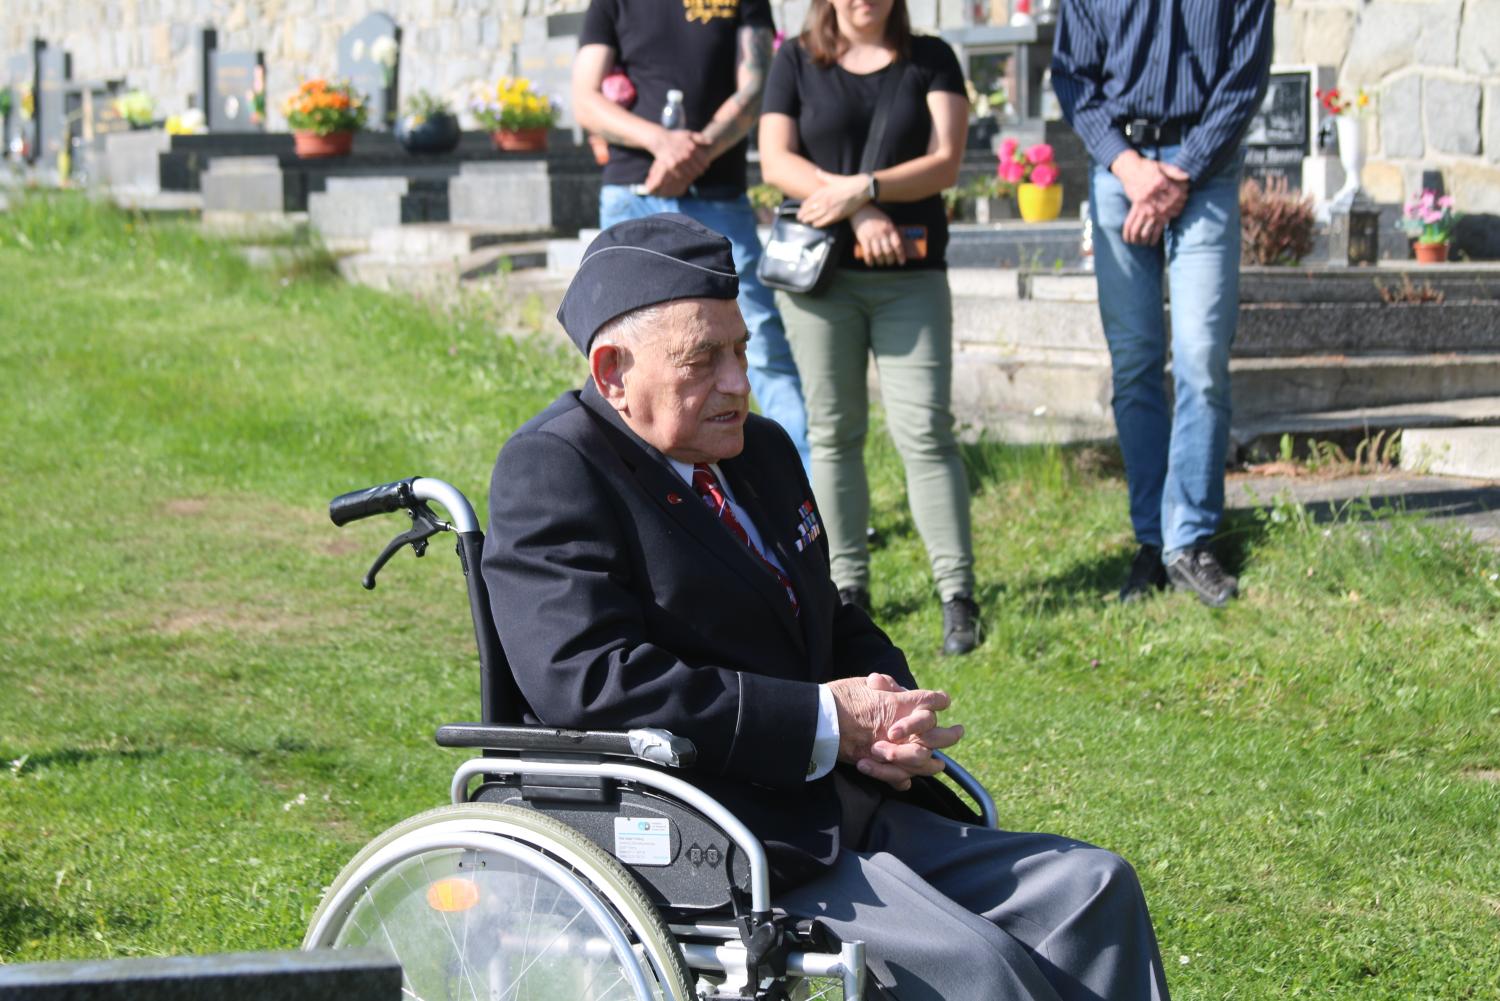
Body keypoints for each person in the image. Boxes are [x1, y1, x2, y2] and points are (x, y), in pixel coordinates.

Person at [482, 213, 1173, 1001]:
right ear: (613, 372)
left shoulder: (762, 452)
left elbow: (831, 615)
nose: (738, 381)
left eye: (740, 349)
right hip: (712, 838)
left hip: (843, 800)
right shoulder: (555, 469)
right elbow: (594, 685)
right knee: (981, 970)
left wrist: (887, 709)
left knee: (1095, 891)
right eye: (704, 359)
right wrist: (821, 720)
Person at [756, 0, 980, 655]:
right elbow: (776, 160)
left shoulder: (931, 58)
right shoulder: (794, 59)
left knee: (927, 432)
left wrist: (867, 187)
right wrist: (858, 210)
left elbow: (946, 161)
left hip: (911, 276)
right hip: (821, 279)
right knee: (833, 433)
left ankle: (958, 595)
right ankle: (845, 589)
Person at [1051, 0, 1274, 607]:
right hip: (1117, 169)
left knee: (1202, 357)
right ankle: (1154, 538)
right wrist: (1130, 167)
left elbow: (1244, 76)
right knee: (1135, 360)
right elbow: (1072, 75)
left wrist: (1178, 173)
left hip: (1205, 172)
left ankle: (1191, 539)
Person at [571, 0, 811, 474]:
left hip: (717, 195)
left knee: (759, 342)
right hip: (633, 192)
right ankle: (632, 489)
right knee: (622, 353)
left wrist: (693, 152)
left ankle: (799, 486)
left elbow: (755, 85)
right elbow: (584, 97)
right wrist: (662, 142)